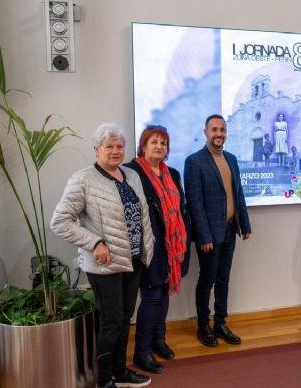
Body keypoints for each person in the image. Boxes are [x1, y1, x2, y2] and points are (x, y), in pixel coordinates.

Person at [50, 123, 153, 388]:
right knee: (111, 323)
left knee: (124, 320)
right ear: (97, 149)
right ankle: (103, 380)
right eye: (109, 146)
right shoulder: (82, 179)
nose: (115, 151)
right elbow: (60, 221)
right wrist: (94, 242)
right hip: (104, 265)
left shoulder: (132, 175)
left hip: (132, 260)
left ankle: (120, 372)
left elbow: (142, 216)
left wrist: (148, 248)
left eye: (120, 146)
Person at [124, 125, 191, 374]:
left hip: (173, 247)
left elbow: (181, 208)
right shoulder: (132, 172)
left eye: (163, 143)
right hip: (149, 246)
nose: (159, 147)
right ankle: (141, 353)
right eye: (154, 142)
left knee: (163, 296)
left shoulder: (172, 173)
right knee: (151, 297)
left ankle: (158, 341)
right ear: (143, 145)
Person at [184, 114, 252, 347]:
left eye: (222, 130)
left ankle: (220, 323)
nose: (218, 134)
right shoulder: (194, 161)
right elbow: (194, 202)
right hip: (209, 235)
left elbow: (238, 194)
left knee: (224, 279)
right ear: (205, 132)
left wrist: (245, 224)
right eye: (214, 130)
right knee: (207, 280)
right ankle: (203, 325)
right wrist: (203, 235)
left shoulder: (231, 159)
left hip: (230, 229)